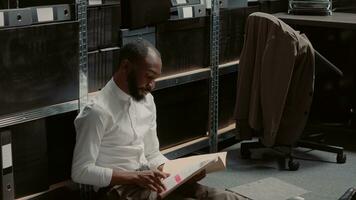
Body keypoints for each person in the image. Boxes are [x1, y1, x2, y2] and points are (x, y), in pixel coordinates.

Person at [71, 39, 245, 200]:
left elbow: (152, 154)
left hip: (149, 179)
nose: (152, 85)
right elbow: (81, 171)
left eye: (155, 79)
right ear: (126, 67)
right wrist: (136, 177)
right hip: (118, 189)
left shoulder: (147, 100)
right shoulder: (96, 111)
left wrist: (184, 172)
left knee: (226, 198)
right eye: (149, 77)